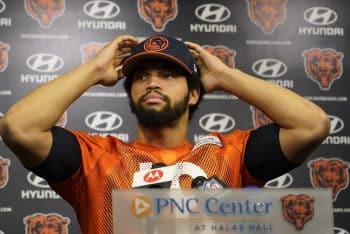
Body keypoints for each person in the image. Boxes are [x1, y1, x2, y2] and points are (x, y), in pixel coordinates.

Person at [0, 34, 330, 233]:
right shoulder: (96, 159)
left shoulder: (231, 154)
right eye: (142, 77)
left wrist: (227, 77)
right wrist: (95, 71)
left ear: (194, 94)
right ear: (131, 93)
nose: (153, 82)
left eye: (168, 75)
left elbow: (311, 125)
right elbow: (19, 126)